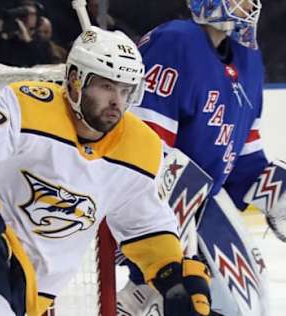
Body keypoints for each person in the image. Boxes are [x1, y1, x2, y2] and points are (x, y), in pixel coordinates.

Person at [0, 26, 212, 316]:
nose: (116, 102)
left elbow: (145, 224)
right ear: (74, 80)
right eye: (106, 85)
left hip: (32, 288)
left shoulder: (140, 147)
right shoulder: (29, 105)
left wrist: (173, 275)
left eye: (125, 90)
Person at [116, 0, 286, 315]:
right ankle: (139, 293)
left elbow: (245, 163)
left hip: (204, 210)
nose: (251, 4)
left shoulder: (248, 59)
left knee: (242, 305)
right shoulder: (175, 43)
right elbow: (143, 149)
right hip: (153, 209)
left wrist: (279, 193)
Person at [0, 0, 53, 66]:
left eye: (32, 14)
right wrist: (3, 33)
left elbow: (42, 62)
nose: (27, 17)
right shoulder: (12, 39)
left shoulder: (40, 39)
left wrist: (27, 39)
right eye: (24, 14)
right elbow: (1, 61)